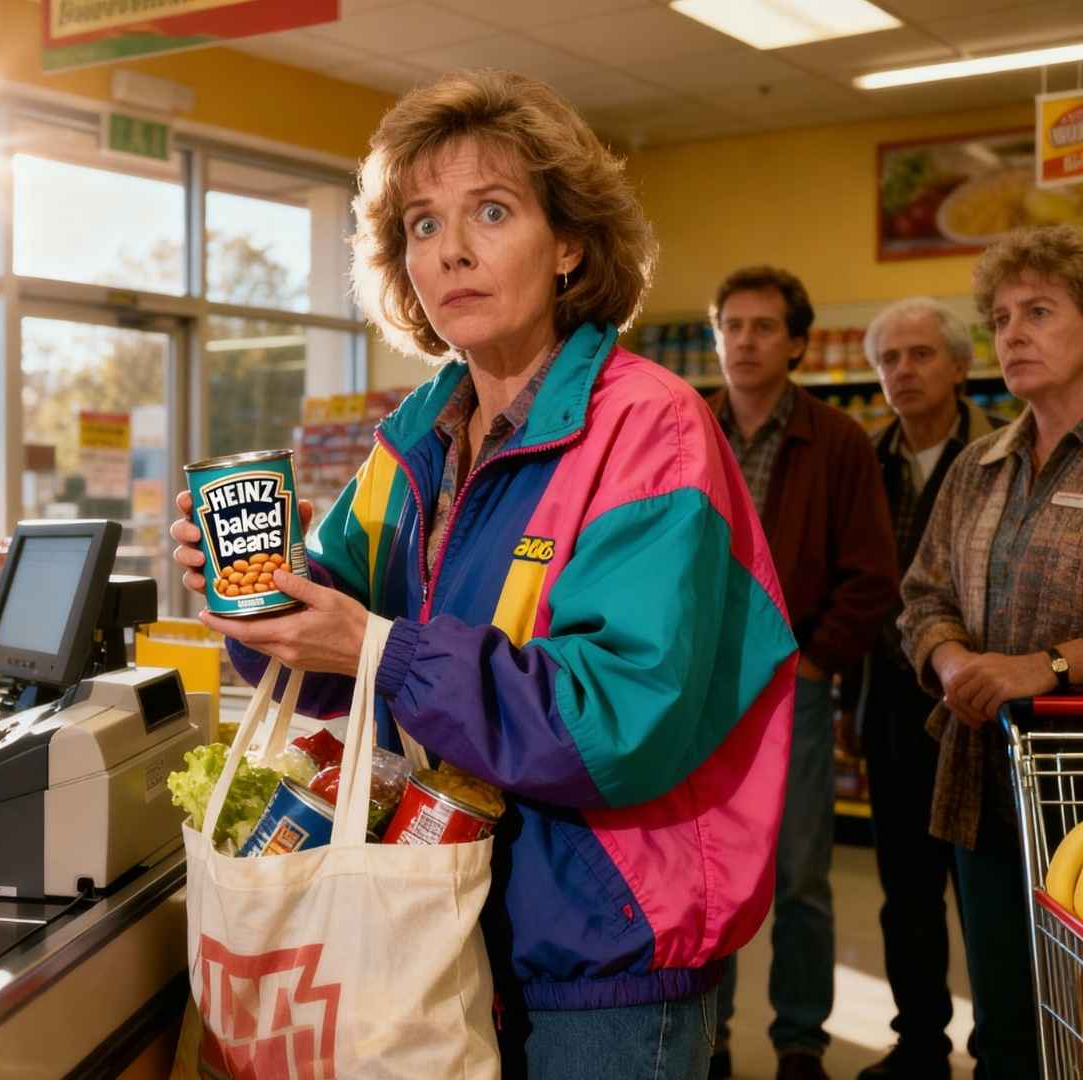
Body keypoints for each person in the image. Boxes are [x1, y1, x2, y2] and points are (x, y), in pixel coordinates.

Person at [169, 70, 795, 1079]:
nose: (449, 249)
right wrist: (260, 600)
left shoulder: (649, 427)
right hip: (436, 916)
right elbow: (334, 663)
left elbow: (615, 722)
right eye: (421, 224)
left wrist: (374, 644)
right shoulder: (419, 432)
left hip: (603, 947)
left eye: (490, 212)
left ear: (569, 245)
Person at [704, 265, 899, 1080]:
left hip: (794, 691)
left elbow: (871, 574)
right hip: (694, 693)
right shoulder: (683, 427)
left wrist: (816, 661)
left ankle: (799, 1042)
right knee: (704, 870)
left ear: (795, 343)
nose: (745, 341)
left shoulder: (838, 440)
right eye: (732, 326)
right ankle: (707, 1035)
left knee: (801, 874)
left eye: (762, 327)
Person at [899, 223, 1083, 1080]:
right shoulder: (980, 464)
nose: (1011, 334)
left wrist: (1042, 667)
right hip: (984, 782)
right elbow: (924, 595)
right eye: (1002, 316)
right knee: (1008, 1023)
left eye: (1038, 311)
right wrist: (952, 665)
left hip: (1078, 791)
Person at [856, 298, 1001, 1080]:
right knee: (904, 889)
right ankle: (919, 1040)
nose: (903, 372)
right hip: (892, 703)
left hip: (975, 703)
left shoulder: (999, 454)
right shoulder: (866, 458)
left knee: (983, 888)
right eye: (890, 359)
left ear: (958, 365)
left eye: (920, 355)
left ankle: (995, 1044)